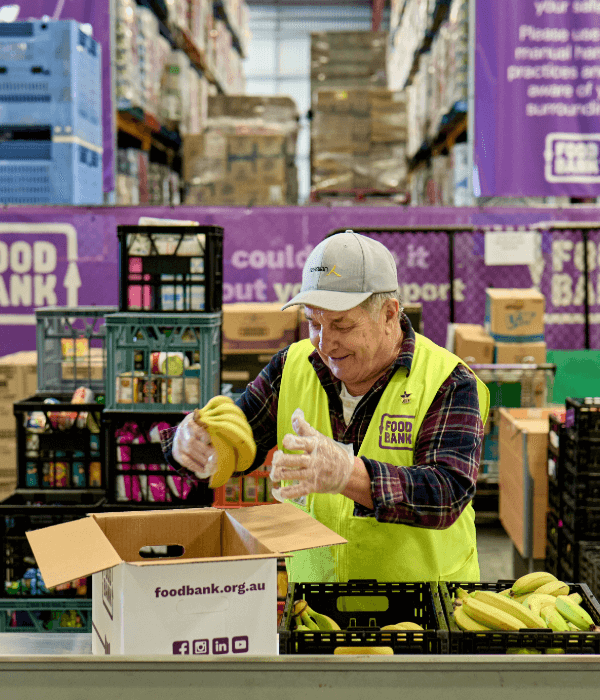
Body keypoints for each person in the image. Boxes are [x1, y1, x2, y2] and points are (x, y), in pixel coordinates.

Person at [162, 229, 490, 583]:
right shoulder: (291, 366)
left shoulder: (448, 381)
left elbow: (445, 494)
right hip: (316, 606)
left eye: (342, 325)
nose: (325, 342)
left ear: (389, 314)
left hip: (425, 606)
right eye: (313, 323)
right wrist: (190, 443)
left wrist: (349, 474)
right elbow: (239, 439)